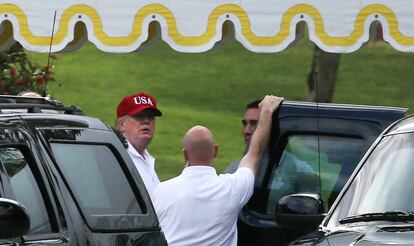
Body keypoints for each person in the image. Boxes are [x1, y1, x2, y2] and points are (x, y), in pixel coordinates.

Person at [152, 95, 284, 246]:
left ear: (185, 154)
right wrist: (267, 110)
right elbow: (254, 153)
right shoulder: (231, 188)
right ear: (215, 151)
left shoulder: (160, 191)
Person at [116, 92, 162, 198]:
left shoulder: (146, 159)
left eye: (150, 117)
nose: (146, 121)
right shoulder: (119, 157)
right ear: (122, 125)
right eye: (139, 116)